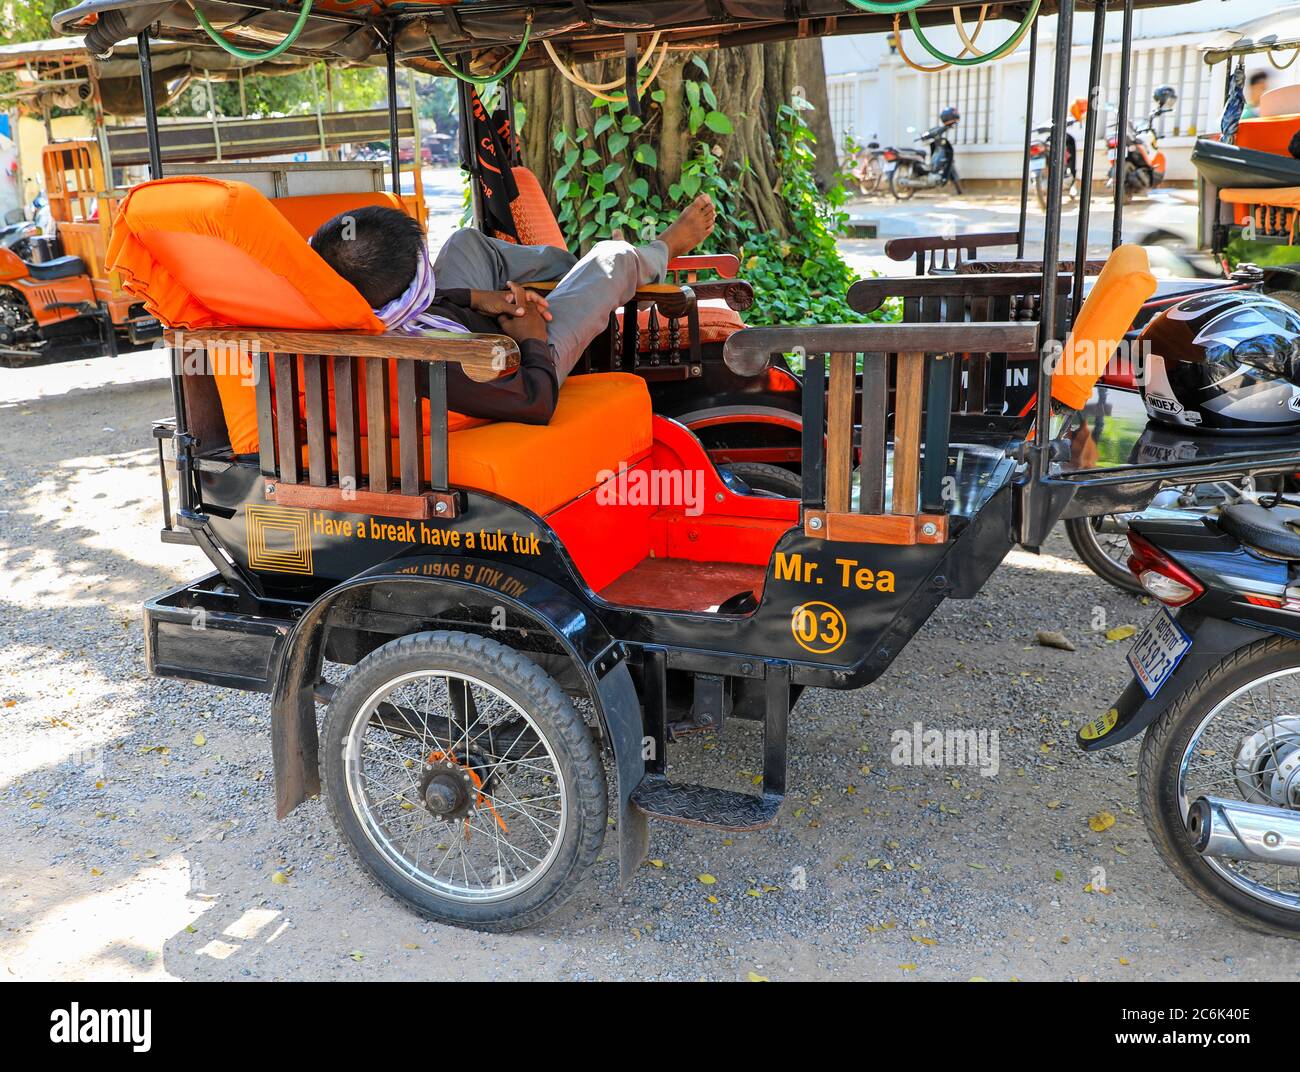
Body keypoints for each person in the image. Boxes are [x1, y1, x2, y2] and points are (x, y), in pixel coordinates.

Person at [310, 195, 717, 424]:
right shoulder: (432, 358)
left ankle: (571, 276)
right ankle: (656, 252)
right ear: (413, 289)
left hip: (465, 322)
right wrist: (532, 339)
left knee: (466, 242)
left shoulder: (351, 305)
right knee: (611, 257)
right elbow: (534, 402)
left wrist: (474, 297)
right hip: (519, 356)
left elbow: (418, 305)